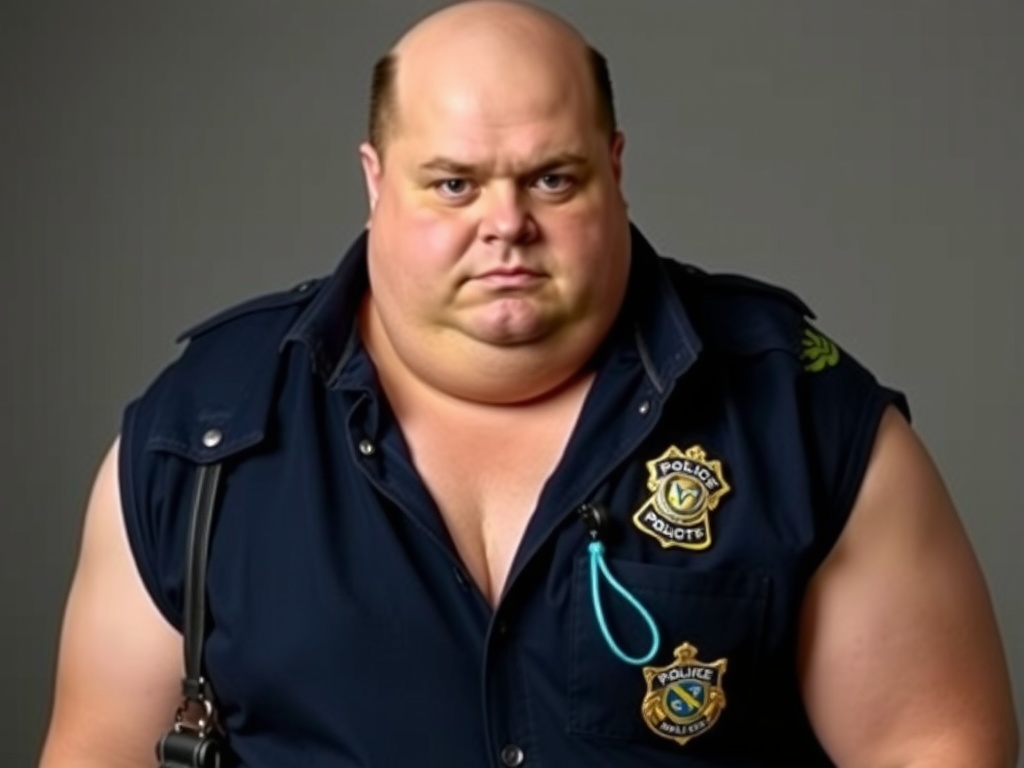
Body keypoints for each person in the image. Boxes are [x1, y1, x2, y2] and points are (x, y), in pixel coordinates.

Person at [39, 1, 1018, 766]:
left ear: (614, 166)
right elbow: (97, 755)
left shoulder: (802, 417)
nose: (504, 223)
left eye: (550, 178)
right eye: (454, 182)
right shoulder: (202, 436)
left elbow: (931, 747)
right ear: (377, 180)